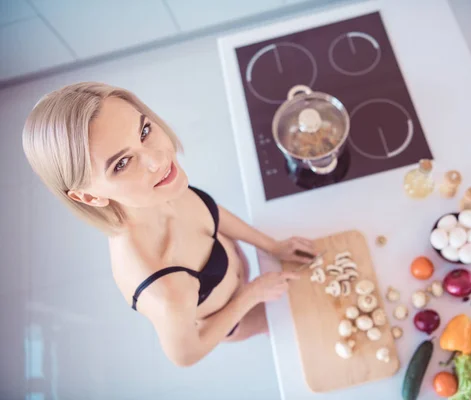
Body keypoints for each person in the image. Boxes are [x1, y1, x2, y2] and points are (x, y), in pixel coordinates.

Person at [21, 82, 316, 367]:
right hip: (234, 316)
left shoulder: (158, 189)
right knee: (306, 323)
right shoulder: (164, 285)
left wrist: (270, 245)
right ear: (88, 196)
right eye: (122, 163)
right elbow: (186, 355)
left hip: (250, 282)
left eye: (145, 131)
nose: (157, 159)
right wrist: (252, 294)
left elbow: (210, 212)